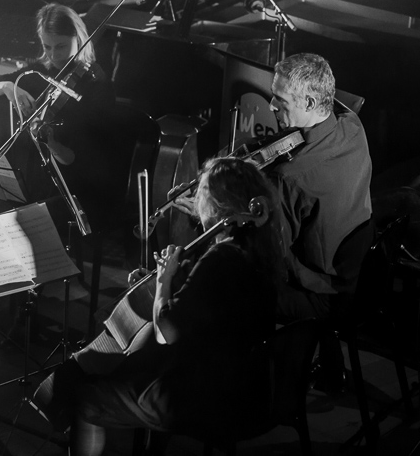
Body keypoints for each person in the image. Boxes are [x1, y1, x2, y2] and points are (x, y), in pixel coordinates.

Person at [33, 157, 284, 456]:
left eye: (201, 194)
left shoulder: (220, 258)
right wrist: (172, 279)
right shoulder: (260, 250)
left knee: (88, 401)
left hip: (206, 394)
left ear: (216, 205)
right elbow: (214, 304)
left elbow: (166, 332)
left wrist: (163, 281)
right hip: (247, 385)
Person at [265, 53, 373, 388]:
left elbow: (276, 260)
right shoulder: (352, 125)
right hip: (361, 278)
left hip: (324, 296)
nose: (271, 106)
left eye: (280, 100)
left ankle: (257, 385)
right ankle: (331, 367)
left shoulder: (290, 177)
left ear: (311, 101)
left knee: (236, 285)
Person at [0, 3, 116, 231]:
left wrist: (50, 142)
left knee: (17, 218)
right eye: (47, 46)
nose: (53, 54)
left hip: (69, 186)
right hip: (31, 178)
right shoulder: (39, 70)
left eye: (60, 46)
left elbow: (81, 160)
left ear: (78, 38)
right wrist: (8, 87)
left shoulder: (96, 85)